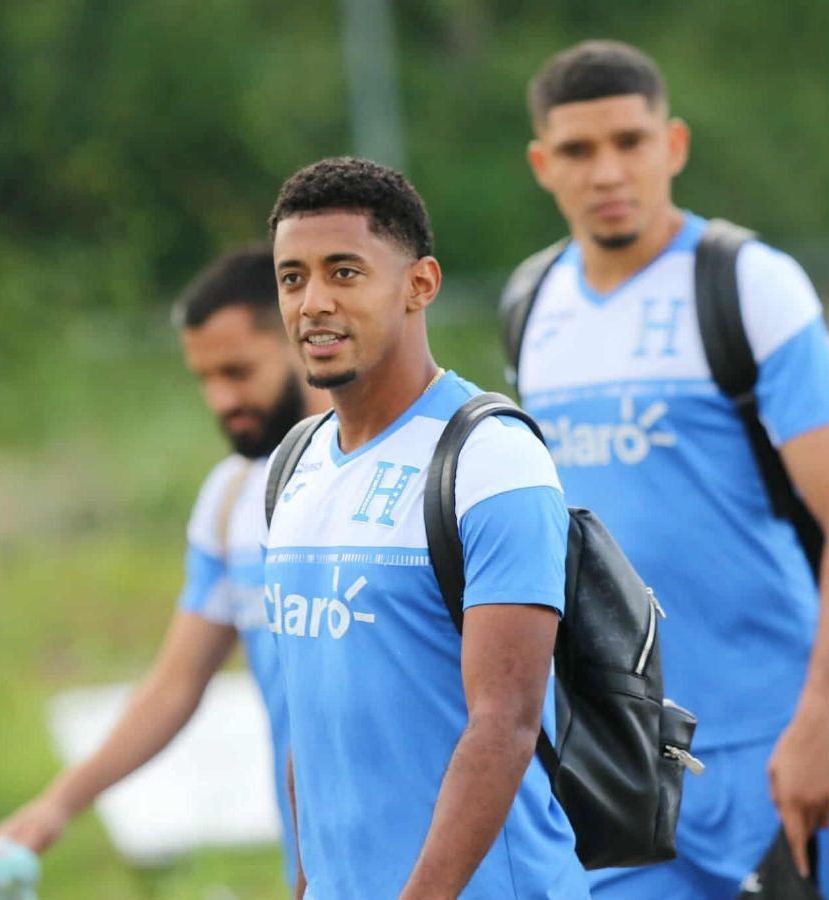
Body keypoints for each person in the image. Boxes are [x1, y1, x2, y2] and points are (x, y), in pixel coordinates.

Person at [513, 40, 829, 899]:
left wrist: (823, 717)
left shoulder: (748, 284)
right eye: (577, 150)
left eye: (630, 141)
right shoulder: (532, 304)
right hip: (625, 757)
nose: (607, 170)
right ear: (542, 164)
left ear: (673, 146)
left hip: (779, 735)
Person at [262, 157, 588, 899]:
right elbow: (308, 722)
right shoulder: (294, 467)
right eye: (292, 277)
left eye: (344, 273)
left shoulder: (490, 457)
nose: (313, 302)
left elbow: (504, 722)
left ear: (420, 285)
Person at [0, 245, 329, 888]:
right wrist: (57, 804)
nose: (221, 400)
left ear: (305, 339)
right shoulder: (228, 500)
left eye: (237, 370)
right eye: (204, 379)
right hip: (315, 862)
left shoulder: (409, 482)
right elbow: (175, 686)